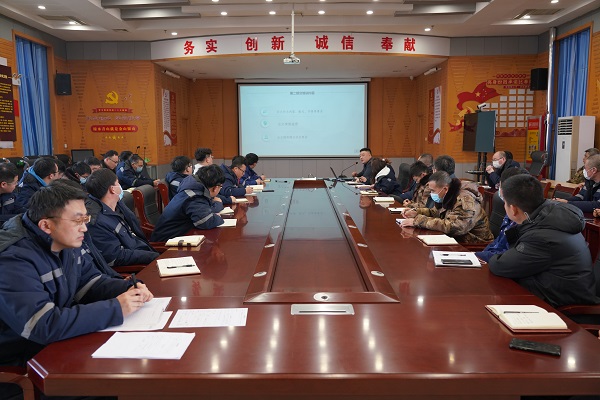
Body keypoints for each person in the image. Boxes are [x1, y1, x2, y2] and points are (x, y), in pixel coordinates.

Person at [0, 183, 153, 399]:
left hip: (59, 345)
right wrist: (116, 308)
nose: (85, 229)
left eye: (85, 219)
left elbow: (89, 283)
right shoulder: (12, 260)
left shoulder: (65, 242)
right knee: (123, 384)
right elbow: (42, 325)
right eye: (77, 221)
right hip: (23, 365)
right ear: (46, 225)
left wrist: (128, 287)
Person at [488, 174, 599, 308]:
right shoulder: (550, 218)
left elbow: (501, 265)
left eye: (505, 203)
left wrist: (495, 256)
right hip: (552, 294)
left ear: (513, 209)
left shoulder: (540, 236)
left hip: (562, 309)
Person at [85, 169, 159, 268]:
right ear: (112, 189)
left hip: (143, 252)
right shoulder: (97, 221)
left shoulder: (117, 206)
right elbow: (115, 257)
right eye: (118, 183)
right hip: (137, 267)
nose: (120, 187)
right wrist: (153, 257)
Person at [401, 171, 494, 243]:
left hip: (475, 243)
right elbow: (436, 212)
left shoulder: (465, 199)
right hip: (458, 239)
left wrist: (418, 221)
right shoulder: (448, 195)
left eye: (433, 191)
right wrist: (416, 212)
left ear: (445, 189)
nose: (431, 194)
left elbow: (456, 227)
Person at [151, 164, 226, 241]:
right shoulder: (195, 196)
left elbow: (205, 211)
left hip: (177, 235)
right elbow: (206, 222)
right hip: (166, 241)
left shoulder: (194, 188)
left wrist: (213, 213)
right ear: (216, 188)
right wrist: (218, 218)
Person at [475, 167, 530, 262]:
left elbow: (507, 256)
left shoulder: (523, 219)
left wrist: (477, 256)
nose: (499, 190)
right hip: (491, 259)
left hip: (501, 264)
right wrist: (478, 256)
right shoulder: (511, 213)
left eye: (500, 186)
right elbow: (497, 243)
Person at [0, 162, 26, 228]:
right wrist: (19, 217)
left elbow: (19, 208)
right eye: (15, 182)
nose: (17, 184)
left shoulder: (10, 194)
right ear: (3, 184)